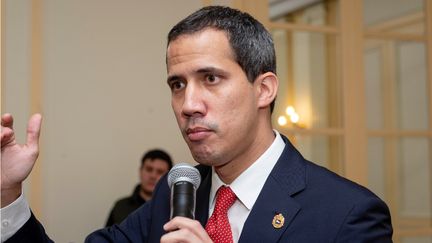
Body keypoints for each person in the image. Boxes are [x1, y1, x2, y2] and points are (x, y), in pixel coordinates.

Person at [0, 5, 392, 243]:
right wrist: (8, 196)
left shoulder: (349, 213)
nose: (188, 105)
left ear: (264, 89)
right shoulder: (172, 201)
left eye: (210, 79)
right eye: (177, 84)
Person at [105, 149, 173, 227]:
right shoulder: (120, 206)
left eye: (160, 172)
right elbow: (105, 238)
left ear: (168, 177)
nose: (153, 176)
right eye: (149, 169)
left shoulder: (174, 209)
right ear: (140, 171)